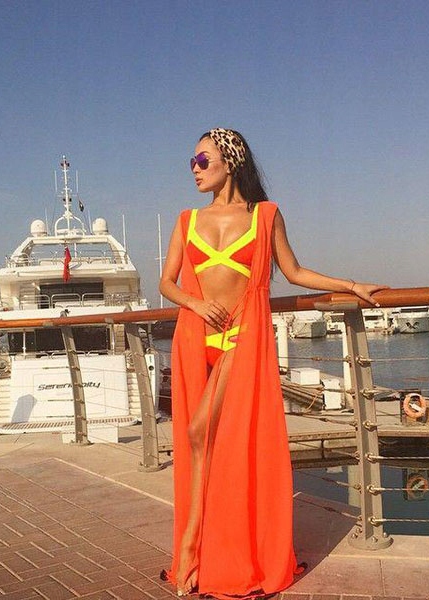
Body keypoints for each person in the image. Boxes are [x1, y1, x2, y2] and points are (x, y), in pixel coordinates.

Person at [159, 128, 386, 599]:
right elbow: (167, 283)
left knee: (202, 433)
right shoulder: (186, 220)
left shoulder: (265, 215)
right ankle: (202, 548)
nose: (194, 169)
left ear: (230, 160)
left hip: (242, 339)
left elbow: (294, 271)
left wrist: (350, 285)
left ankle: (192, 548)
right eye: (192, 162)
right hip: (197, 338)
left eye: (202, 160)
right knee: (205, 440)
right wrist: (195, 304)